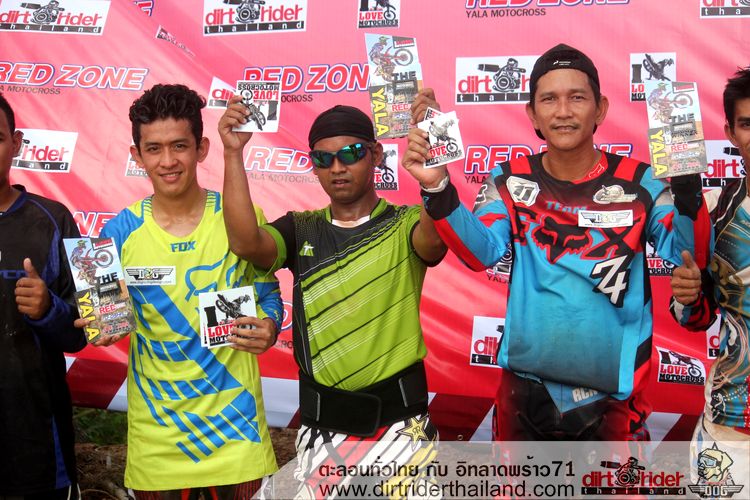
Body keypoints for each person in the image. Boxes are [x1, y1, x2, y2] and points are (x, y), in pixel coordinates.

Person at [403, 43, 706, 440]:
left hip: (613, 406)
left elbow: (687, 251)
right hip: (523, 398)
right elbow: (481, 253)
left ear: (600, 109)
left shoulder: (642, 183)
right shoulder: (508, 179)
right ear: (532, 113)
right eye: (549, 99)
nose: (563, 111)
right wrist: (437, 186)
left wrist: (688, 187)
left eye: (577, 97)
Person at [219, 101, 447, 496]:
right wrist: (232, 152)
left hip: (402, 432)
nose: (337, 167)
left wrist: (436, 147)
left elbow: (435, 241)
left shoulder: (407, 223)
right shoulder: (301, 228)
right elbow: (245, 243)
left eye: (351, 154)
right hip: (322, 434)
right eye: (324, 159)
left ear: (376, 154)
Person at [85, 84, 281, 498]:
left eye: (179, 146)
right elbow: (101, 326)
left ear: (201, 148)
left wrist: (269, 325)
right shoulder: (115, 234)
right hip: (158, 440)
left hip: (237, 435)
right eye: (153, 149)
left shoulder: (240, 216)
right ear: (137, 155)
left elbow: (269, 295)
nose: (168, 161)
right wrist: (101, 328)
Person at [0, 93, 86, 498]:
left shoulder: (55, 218)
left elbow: (88, 329)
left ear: (16, 143)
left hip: (37, 452)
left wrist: (49, 309)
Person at [670, 67, 750, 478]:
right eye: (748, 124)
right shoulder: (713, 211)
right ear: (731, 133)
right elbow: (693, 317)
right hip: (731, 425)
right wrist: (688, 294)